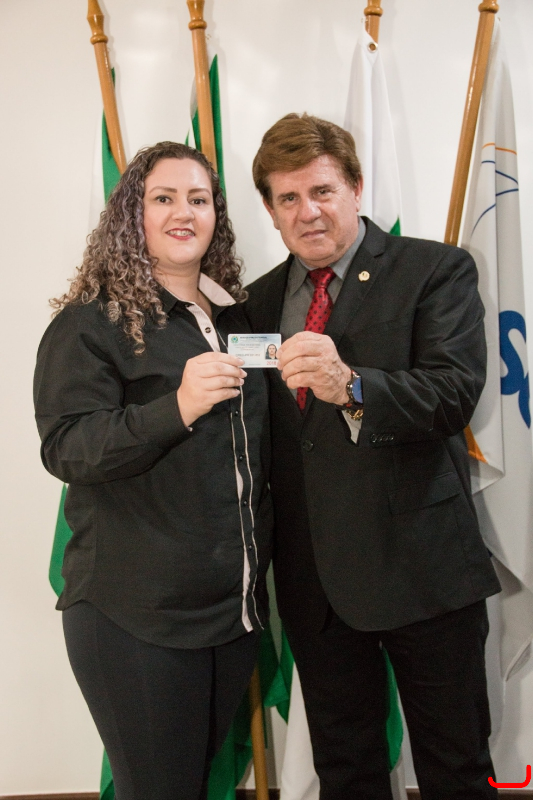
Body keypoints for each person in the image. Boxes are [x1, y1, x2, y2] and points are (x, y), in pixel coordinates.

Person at [245, 113, 501, 800]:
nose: (308, 211)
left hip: (423, 570)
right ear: (270, 210)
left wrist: (352, 387)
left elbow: (452, 395)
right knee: (346, 772)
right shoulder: (255, 303)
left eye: (322, 191)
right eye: (288, 198)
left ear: (356, 187)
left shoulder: (434, 270)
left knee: (455, 770)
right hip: (315, 586)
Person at [34, 142, 272, 800]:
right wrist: (178, 406)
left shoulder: (238, 319)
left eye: (198, 199)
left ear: (216, 215)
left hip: (231, 615)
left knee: (191, 785)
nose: (183, 212)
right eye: (162, 198)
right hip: (135, 617)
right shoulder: (90, 324)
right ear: (130, 215)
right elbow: (68, 447)